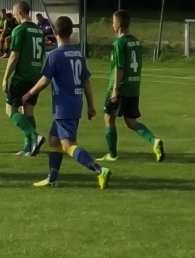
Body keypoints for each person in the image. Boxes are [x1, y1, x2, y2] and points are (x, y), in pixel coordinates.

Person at [22, 16, 111, 189]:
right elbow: (86, 81)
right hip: (74, 104)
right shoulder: (78, 54)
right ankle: (52, 177)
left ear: (54, 32)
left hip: (64, 106)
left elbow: (45, 80)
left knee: (68, 144)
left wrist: (29, 94)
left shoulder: (55, 55)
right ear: (71, 32)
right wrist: (91, 105)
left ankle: (100, 170)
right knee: (54, 140)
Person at [99, 10, 165, 162]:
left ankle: (112, 155)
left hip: (121, 86)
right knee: (131, 121)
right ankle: (154, 141)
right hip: (134, 87)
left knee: (108, 118)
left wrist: (115, 89)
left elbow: (119, 67)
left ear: (119, 24)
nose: (112, 25)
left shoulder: (119, 43)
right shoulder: (136, 41)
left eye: (113, 22)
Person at [1, 1, 46, 156]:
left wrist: (5, 77)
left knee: (10, 110)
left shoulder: (19, 30)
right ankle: (29, 147)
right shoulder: (39, 31)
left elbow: (14, 55)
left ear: (19, 12)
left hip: (22, 76)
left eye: (14, 13)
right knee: (28, 111)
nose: (14, 17)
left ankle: (34, 136)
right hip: (36, 76)